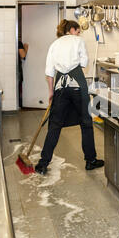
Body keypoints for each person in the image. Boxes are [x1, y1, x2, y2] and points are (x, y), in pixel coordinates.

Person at [34, 20, 104, 175]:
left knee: (55, 125)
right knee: (86, 123)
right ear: (72, 30)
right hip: (78, 84)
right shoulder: (78, 41)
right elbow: (84, 62)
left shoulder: (54, 45)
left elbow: (49, 73)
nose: (79, 34)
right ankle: (90, 160)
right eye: (78, 31)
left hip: (60, 86)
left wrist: (51, 92)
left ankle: (43, 164)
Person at [18, 41, 29, 108]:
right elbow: (22, 55)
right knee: (19, 85)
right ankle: (19, 103)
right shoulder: (18, 43)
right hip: (17, 68)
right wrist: (26, 48)